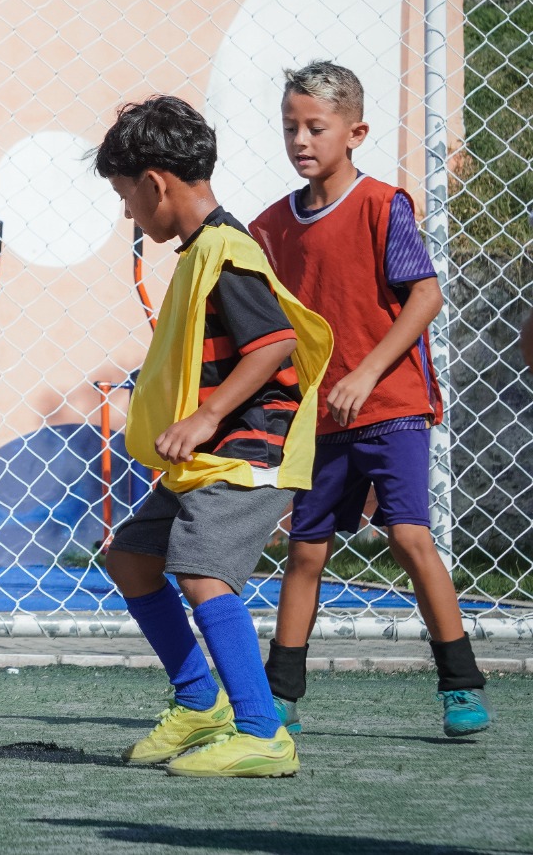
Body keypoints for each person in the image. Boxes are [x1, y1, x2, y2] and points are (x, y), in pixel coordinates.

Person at [93, 95, 332, 778]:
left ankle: (263, 732)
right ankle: (201, 702)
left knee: (202, 573)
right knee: (133, 560)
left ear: (155, 183)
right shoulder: (202, 250)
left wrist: (203, 415)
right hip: (209, 456)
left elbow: (275, 345)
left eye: (124, 195)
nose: (128, 212)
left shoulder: (227, 250)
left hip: (247, 448)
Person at [251, 61, 491, 737]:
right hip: (320, 420)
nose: (301, 139)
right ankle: (280, 695)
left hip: (393, 410)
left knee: (411, 537)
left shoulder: (384, 204)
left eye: (316, 127)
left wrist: (366, 374)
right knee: (305, 552)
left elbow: (426, 296)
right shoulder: (270, 226)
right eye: (290, 126)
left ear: (353, 131)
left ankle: (460, 685)